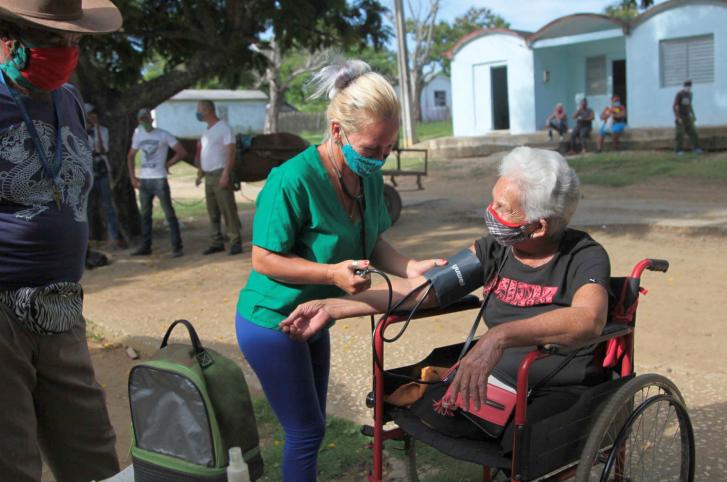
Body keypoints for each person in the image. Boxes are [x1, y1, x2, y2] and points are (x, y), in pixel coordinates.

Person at [281, 147, 610, 447]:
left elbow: (588, 319)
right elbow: (424, 291)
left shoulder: (584, 256)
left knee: (522, 443)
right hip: (494, 379)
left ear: (537, 227)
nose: (490, 212)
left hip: (555, 385)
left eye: (502, 208)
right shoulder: (495, 248)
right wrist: (338, 305)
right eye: (492, 200)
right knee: (403, 394)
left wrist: (500, 335)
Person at [235, 60, 446, 481]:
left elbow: (373, 242)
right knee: (305, 430)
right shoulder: (291, 180)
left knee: (312, 427)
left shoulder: (365, 175)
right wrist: (332, 275)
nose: (381, 158)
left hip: (315, 317)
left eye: (389, 148)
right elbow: (262, 259)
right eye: (372, 149)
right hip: (271, 321)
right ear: (337, 131)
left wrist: (409, 266)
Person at [0, 2, 123, 482]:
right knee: (12, 460)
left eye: (74, 41)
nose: (68, 51)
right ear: (9, 41)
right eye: (54, 41)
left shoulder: (67, 100)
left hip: (61, 306)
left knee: (91, 452)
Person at [127, 108, 187, 257]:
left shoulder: (163, 134)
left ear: (151, 120)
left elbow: (181, 151)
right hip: (145, 180)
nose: (145, 122)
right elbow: (131, 156)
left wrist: (168, 163)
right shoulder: (138, 135)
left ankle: (177, 246)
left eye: (147, 119)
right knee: (146, 215)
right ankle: (146, 246)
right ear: (139, 121)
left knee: (169, 213)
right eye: (142, 120)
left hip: (159, 178)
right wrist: (133, 177)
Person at [195, 100, 243, 255]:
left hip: (220, 174)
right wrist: (200, 173)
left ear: (207, 110)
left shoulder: (224, 128)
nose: (198, 113)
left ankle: (235, 241)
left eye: (199, 110)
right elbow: (205, 153)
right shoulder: (207, 130)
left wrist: (226, 174)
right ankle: (216, 241)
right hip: (209, 176)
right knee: (213, 211)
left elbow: (231, 151)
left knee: (228, 209)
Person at [86, 102, 126, 249]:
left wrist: (96, 129)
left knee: (108, 206)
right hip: (88, 174)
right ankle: (88, 239)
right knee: (87, 208)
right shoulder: (78, 132)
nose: (91, 117)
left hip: (102, 172)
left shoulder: (103, 131)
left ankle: (114, 237)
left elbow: (102, 150)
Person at [673, 80, 703, 155]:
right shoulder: (679, 94)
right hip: (680, 116)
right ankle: (678, 150)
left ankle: (696, 148)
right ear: (684, 86)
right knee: (680, 133)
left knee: (693, 132)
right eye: (686, 86)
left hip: (688, 117)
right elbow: (675, 106)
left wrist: (693, 115)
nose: (688, 88)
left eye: (689, 86)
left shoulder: (690, 94)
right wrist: (677, 117)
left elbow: (689, 105)